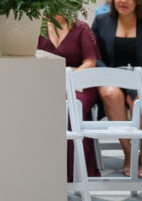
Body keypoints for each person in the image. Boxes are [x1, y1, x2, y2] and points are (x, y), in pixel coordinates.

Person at [92, 0, 142, 176]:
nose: (122, 1)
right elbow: (94, 55)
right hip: (109, 75)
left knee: (141, 100)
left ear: (137, 0)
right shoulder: (102, 21)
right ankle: (128, 152)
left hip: (141, 79)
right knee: (110, 94)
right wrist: (109, 75)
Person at [38, 16, 99, 180]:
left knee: (72, 106)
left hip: (79, 84)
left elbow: (90, 62)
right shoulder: (37, 27)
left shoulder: (81, 28)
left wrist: (67, 80)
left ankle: (75, 172)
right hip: (45, 84)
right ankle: (43, 168)